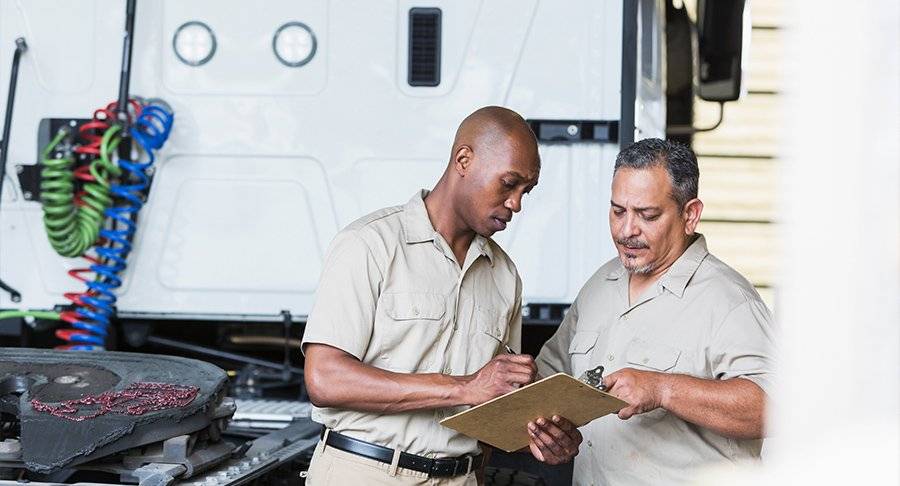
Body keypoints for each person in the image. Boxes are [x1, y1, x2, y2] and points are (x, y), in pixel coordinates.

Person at [301, 106, 583, 485]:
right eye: (508, 184)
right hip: (366, 472)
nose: (516, 204)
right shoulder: (369, 245)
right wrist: (465, 386)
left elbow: (492, 410)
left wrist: (542, 439)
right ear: (464, 160)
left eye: (525, 191)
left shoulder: (504, 275)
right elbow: (325, 379)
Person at [536, 138, 775, 485]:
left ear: (689, 214)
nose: (626, 230)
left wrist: (664, 390)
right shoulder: (600, 285)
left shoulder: (729, 300)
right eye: (618, 211)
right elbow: (550, 380)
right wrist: (550, 434)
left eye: (647, 215)